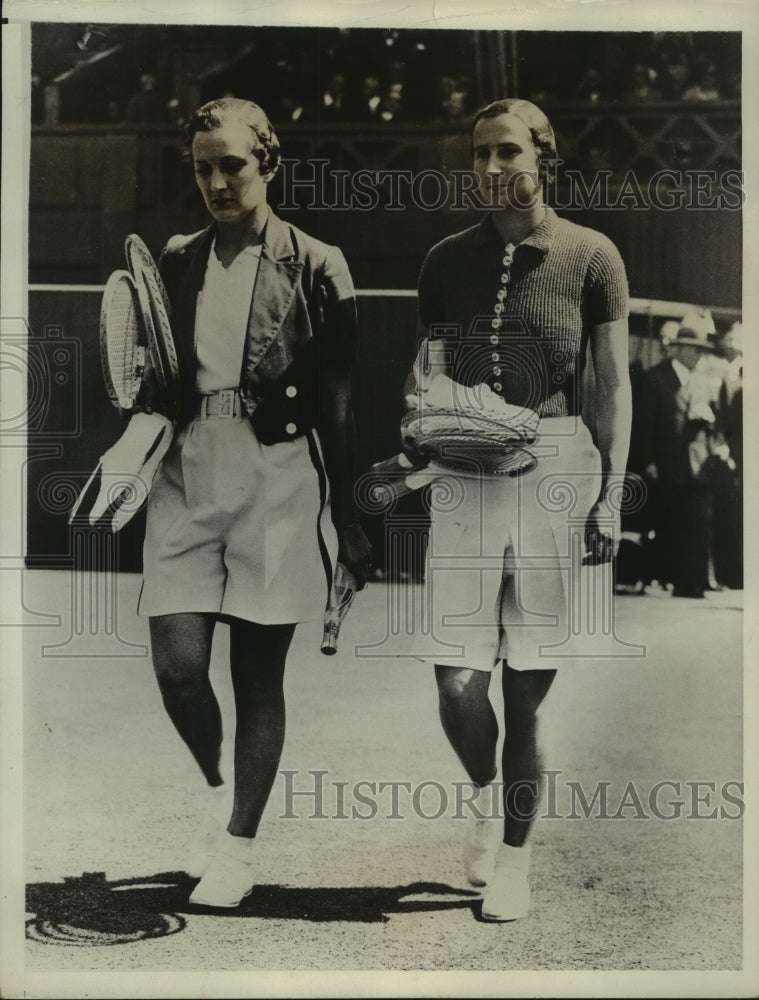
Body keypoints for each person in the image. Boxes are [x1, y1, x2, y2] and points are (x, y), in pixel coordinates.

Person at [137, 97, 371, 907]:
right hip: (185, 471)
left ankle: (237, 845)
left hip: (278, 478)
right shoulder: (172, 258)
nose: (215, 181)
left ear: (267, 162)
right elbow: (147, 379)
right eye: (201, 168)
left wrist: (353, 515)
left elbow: (340, 402)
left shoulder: (318, 262)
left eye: (231, 164)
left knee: (256, 676)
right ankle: (215, 792)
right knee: (176, 669)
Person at [408, 99, 631, 921]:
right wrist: (422, 419)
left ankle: (512, 859)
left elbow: (613, 385)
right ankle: (482, 794)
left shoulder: (591, 255)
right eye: (478, 154)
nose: (491, 168)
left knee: (526, 691)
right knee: (457, 684)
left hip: (557, 471)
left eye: (507, 152)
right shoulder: (444, 260)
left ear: (543, 156)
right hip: (464, 474)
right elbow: (421, 372)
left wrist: (608, 493)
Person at [635, 311, 717, 598]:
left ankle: (694, 582)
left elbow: (718, 422)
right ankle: (675, 578)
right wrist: (648, 461)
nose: (698, 355)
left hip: (699, 464)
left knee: (699, 523)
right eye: (695, 349)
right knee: (673, 523)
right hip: (669, 464)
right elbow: (645, 424)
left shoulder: (704, 382)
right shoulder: (656, 378)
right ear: (680, 348)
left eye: (703, 351)